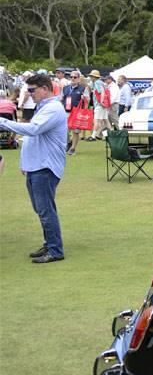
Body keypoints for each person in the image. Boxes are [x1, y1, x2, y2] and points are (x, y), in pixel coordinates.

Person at [0, 73, 67, 262]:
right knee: (41, 209)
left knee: (45, 210)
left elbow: (33, 129)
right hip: (37, 166)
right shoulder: (44, 107)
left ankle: (55, 250)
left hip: (44, 167)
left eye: (32, 90)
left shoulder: (53, 108)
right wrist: (25, 163)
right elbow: (32, 135)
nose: (29, 94)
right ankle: (50, 245)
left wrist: (2, 121)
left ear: (44, 89)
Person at [61, 70, 90, 155]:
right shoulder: (65, 88)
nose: (73, 79)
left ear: (78, 79)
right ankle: (68, 143)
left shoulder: (83, 88)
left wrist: (84, 98)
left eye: (75, 77)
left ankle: (73, 148)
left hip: (77, 113)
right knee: (64, 130)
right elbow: (61, 99)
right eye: (71, 77)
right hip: (66, 112)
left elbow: (88, 101)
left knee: (76, 131)